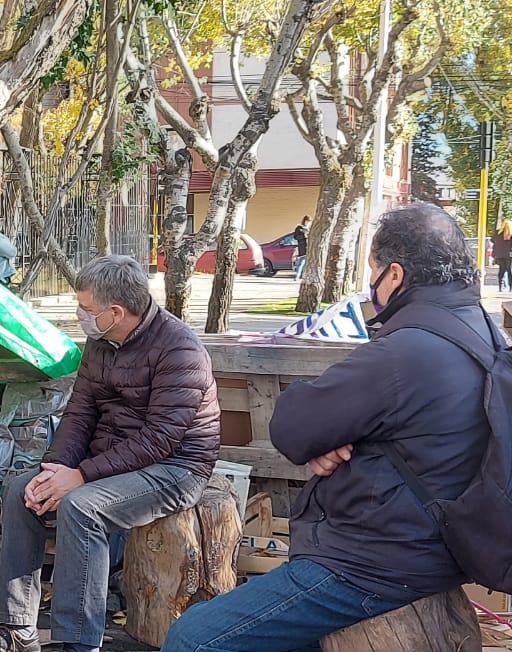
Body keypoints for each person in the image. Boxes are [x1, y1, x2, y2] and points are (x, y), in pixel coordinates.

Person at [163, 203, 494, 651]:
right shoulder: (480, 331)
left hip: (374, 562)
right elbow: (408, 428)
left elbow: (293, 426)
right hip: (433, 545)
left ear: (394, 275)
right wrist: (341, 436)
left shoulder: (406, 352)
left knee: (193, 637)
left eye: (373, 270)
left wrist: (332, 433)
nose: (370, 285)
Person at [0, 255, 220, 652]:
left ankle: (79, 643)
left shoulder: (179, 350)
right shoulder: (101, 342)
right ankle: (16, 628)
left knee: (82, 507)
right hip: (113, 461)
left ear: (115, 312)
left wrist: (80, 477)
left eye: (85, 308)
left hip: (176, 468)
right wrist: (56, 468)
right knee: (20, 491)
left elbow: (160, 439)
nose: (79, 315)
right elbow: (80, 411)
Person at [493, 219, 511, 292]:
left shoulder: (498, 233)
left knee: (501, 270)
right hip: (509, 255)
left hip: (500, 254)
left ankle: (501, 287)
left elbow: (492, 240)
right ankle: (510, 288)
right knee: (510, 270)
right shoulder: (511, 233)